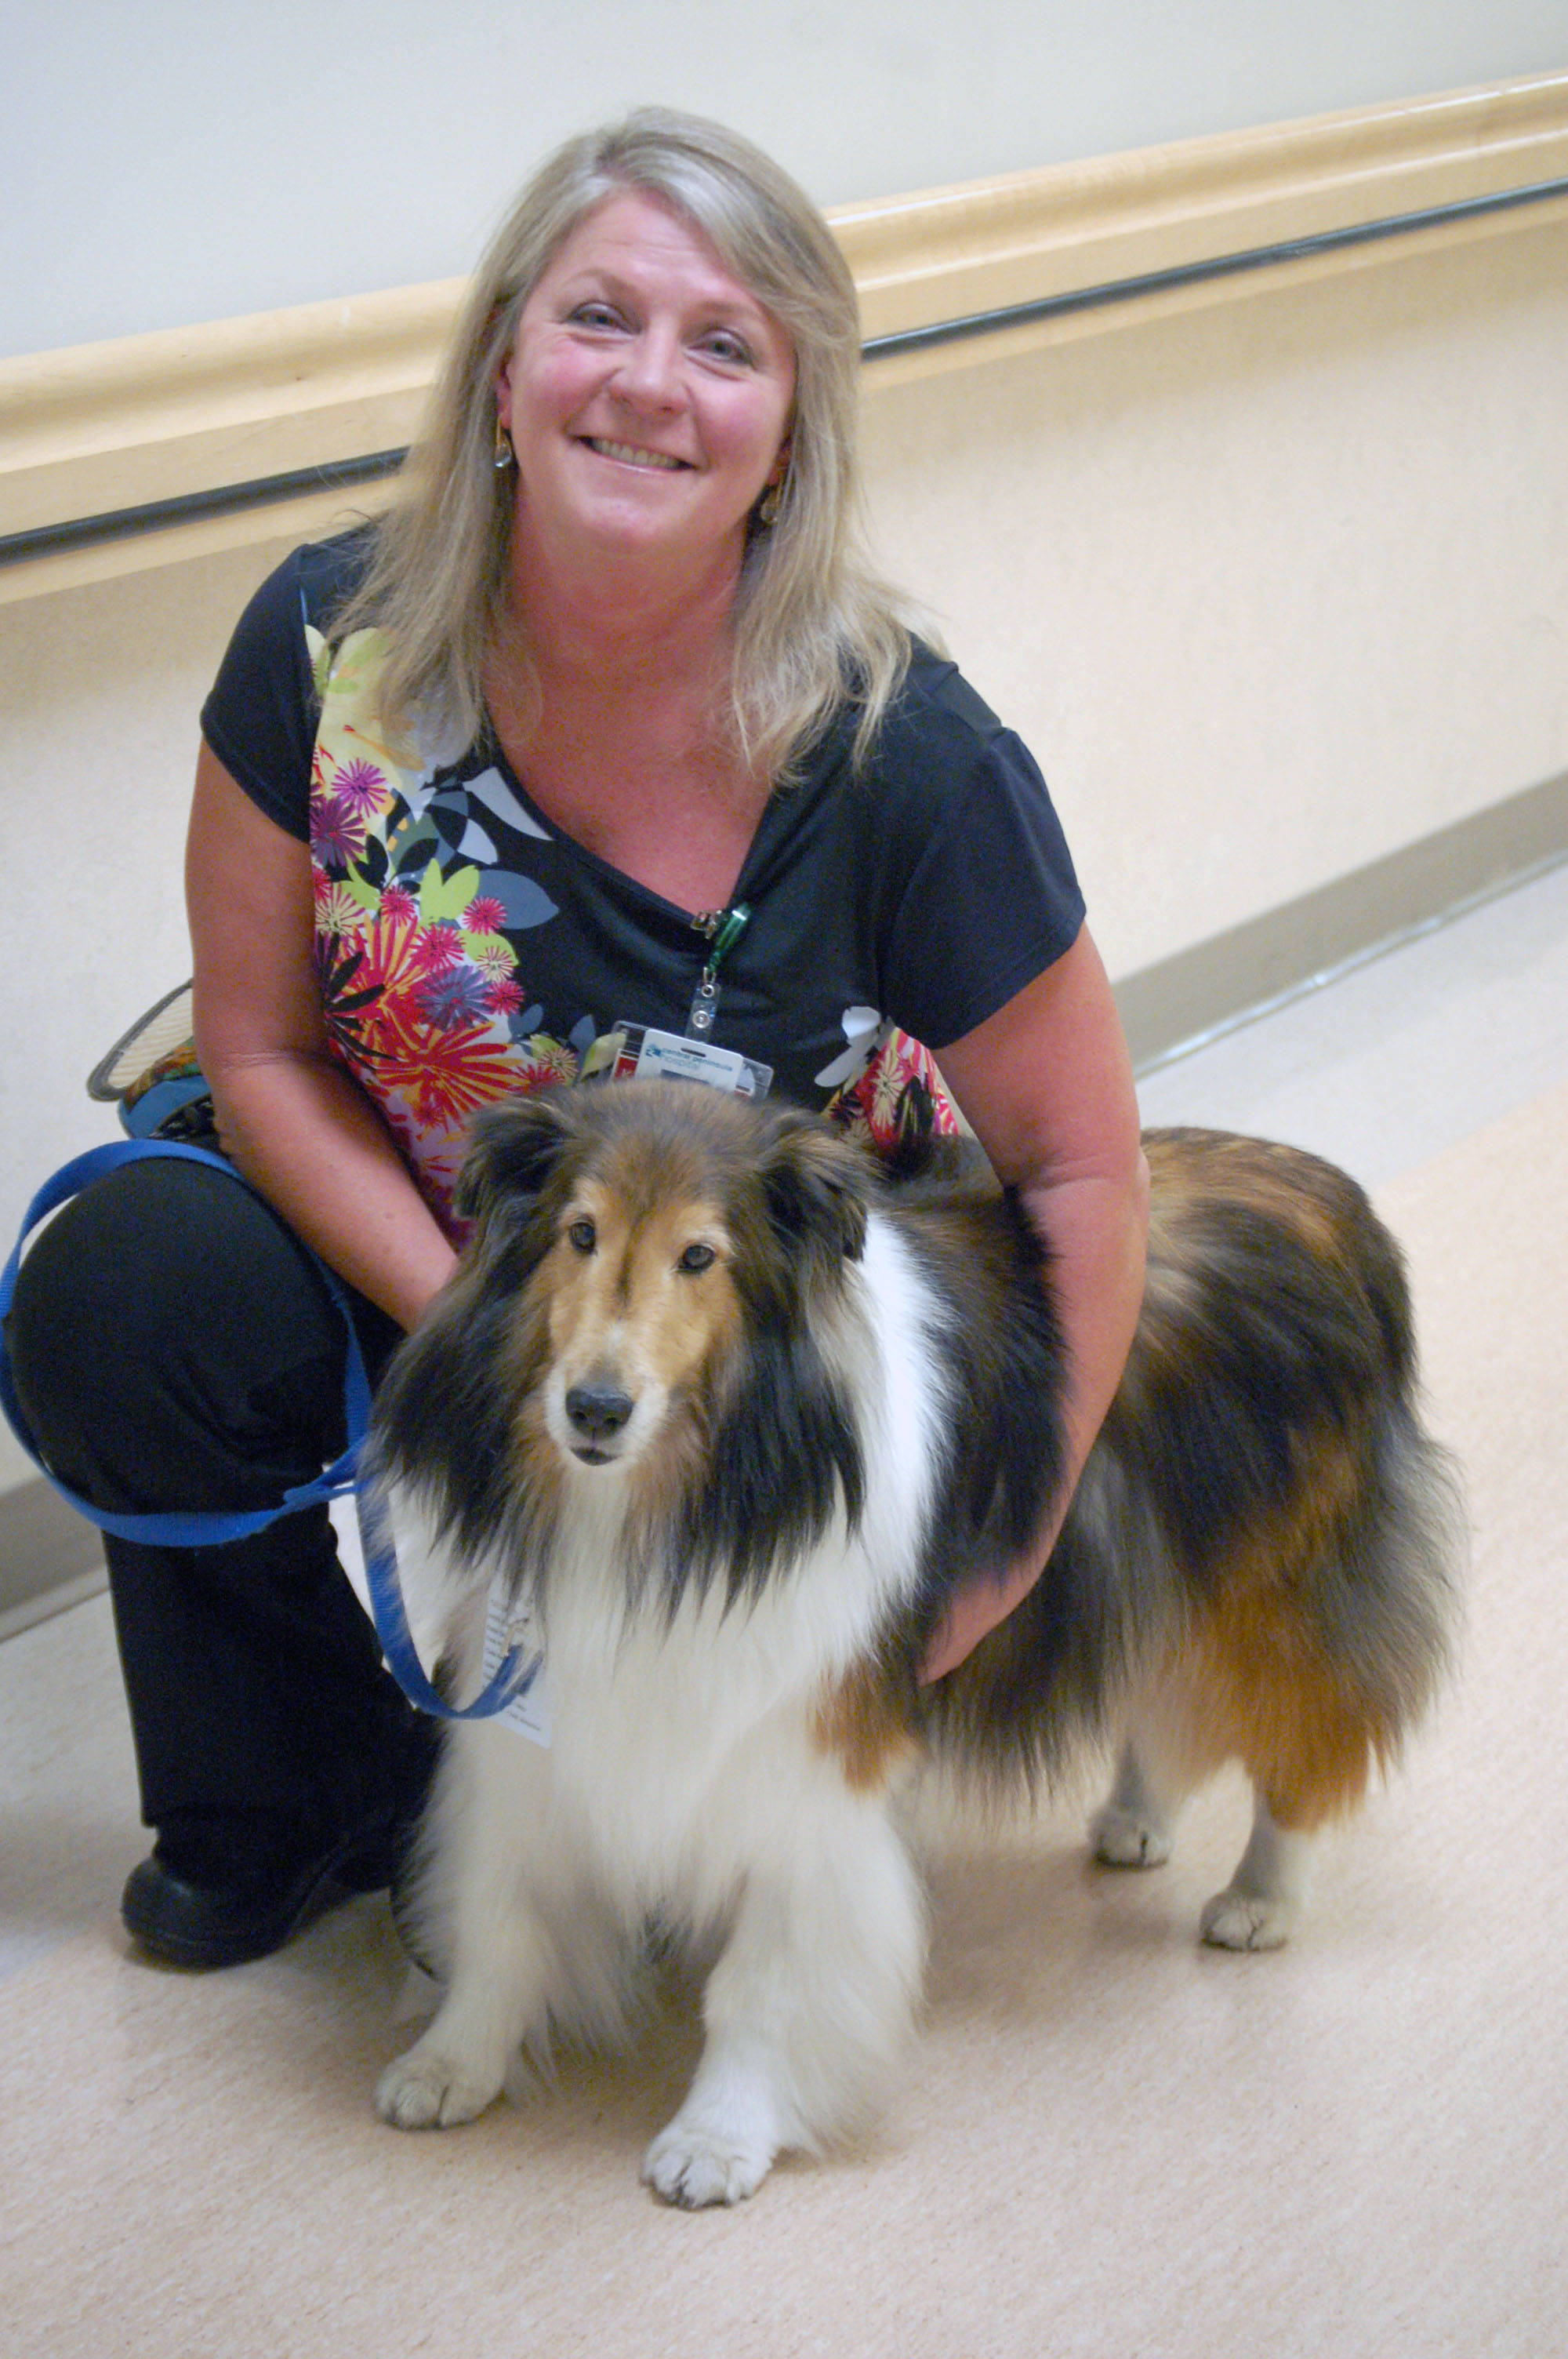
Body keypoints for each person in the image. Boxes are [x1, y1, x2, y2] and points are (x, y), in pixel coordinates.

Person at [5, 108, 1148, 1970]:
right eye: (598, 316)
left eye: (725, 344)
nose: (648, 384)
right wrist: (469, 1305)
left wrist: (1002, 1555)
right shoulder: (322, 642)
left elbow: (1086, 1166)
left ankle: (694, 1743)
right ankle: (303, 1789)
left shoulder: (910, 756)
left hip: (740, 1347)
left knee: (714, 1887)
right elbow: (264, 1051)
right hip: (425, 1239)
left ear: (791, 432)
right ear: (504, 369)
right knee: (120, 1286)